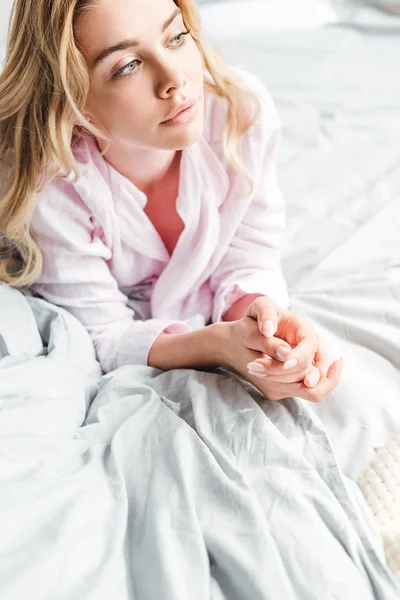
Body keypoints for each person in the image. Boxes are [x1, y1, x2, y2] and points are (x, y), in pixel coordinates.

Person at [0, 0, 344, 403]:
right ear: (73, 99)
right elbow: (106, 334)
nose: (174, 79)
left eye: (176, 37)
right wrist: (217, 345)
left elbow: (247, 259)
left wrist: (264, 323)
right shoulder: (53, 183)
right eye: (128, 65)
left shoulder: (240, 116)